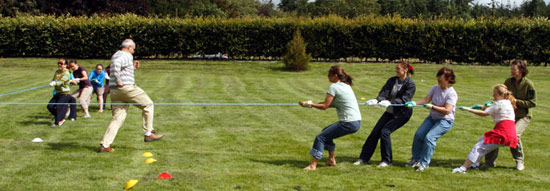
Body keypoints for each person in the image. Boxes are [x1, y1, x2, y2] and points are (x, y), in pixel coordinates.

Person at [98, 39, 163, 153]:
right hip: (126, 88)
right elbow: (116, 65)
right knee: (148, 105)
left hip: (115, 92)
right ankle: (148, 133)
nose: (133, 52)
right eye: (133, 49)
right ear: (128, 48)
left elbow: (118, 67)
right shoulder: (126, 55)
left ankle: (105, 145)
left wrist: (132, 68)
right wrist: (119, 81)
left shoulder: (116, 54)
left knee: (117, 118)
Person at [354, 61, 416, 167]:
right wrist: (377, 100)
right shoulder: (392, 80)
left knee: (385, 132)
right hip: (390, 111)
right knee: (375, 133)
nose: (396, 70)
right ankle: (363, 158)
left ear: (405, 70)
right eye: (396, 68)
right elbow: (384, 93)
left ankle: (387, 161)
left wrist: (390, 102)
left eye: (398, 69)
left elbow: (405, 99)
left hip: (402, 114)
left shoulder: (410, 84)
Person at [300, 65, 362, 170]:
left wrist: (309, 104)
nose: (328, 76)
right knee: (326, 132)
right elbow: (332, 103)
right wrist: (315, 104)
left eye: (329, 74)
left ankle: (313, 165)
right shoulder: (346, 86)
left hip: (348, 122)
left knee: (320, 137)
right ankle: (331, 160)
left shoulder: (334, 87)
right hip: (356, 122)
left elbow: (325, 106)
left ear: (335, 75)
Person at [483, 60, 536, 171]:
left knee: (514, 135)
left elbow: (532, 103)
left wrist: (516, 101)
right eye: (511, 69)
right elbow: (502, 96)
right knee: (496, 134)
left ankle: (519, 161)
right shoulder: (508, 82)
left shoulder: (528, 85)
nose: (511, 71)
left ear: (521, 70)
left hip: (523, 116)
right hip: (509, 116)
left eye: (514, 69)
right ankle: (489, 162)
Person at [452, 84, 518, 174]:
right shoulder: (507, 102)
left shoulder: (499, 103)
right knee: (481, 142)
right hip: (509, 132)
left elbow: (484, 113)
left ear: (501, 95)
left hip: (502, 132)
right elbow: (491, 107)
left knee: (479, 147)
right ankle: (475, 164)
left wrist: (468, 109)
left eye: (495, 94)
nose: (493, 96)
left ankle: (463, 168)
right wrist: (479, 106)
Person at [404, 67, 458, 172]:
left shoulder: (451, 93)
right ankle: (415, 160)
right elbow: (426, 100)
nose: (438, 79)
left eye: (441, 77)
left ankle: (424, 163)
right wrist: (413, 103)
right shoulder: (435, 88)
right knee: (419, 135)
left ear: (448, 79)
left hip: (445, 120)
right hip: (432, 118)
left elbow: (447, 110)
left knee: (429, 138)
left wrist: (432, 107)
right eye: (438, 76)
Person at [47, 60, 71, 127]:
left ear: (66, 65)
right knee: (50, 106)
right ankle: (61, 118)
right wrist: (52, 82)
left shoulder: (67, 73)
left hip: (64, 93)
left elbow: (61, 81)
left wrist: (55, 83)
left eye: (61, 63)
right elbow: (54, 79)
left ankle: (57, 122)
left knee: (58, 107)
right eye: (58, 63)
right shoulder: (57, 72)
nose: (59, 65)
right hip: (57, 93)